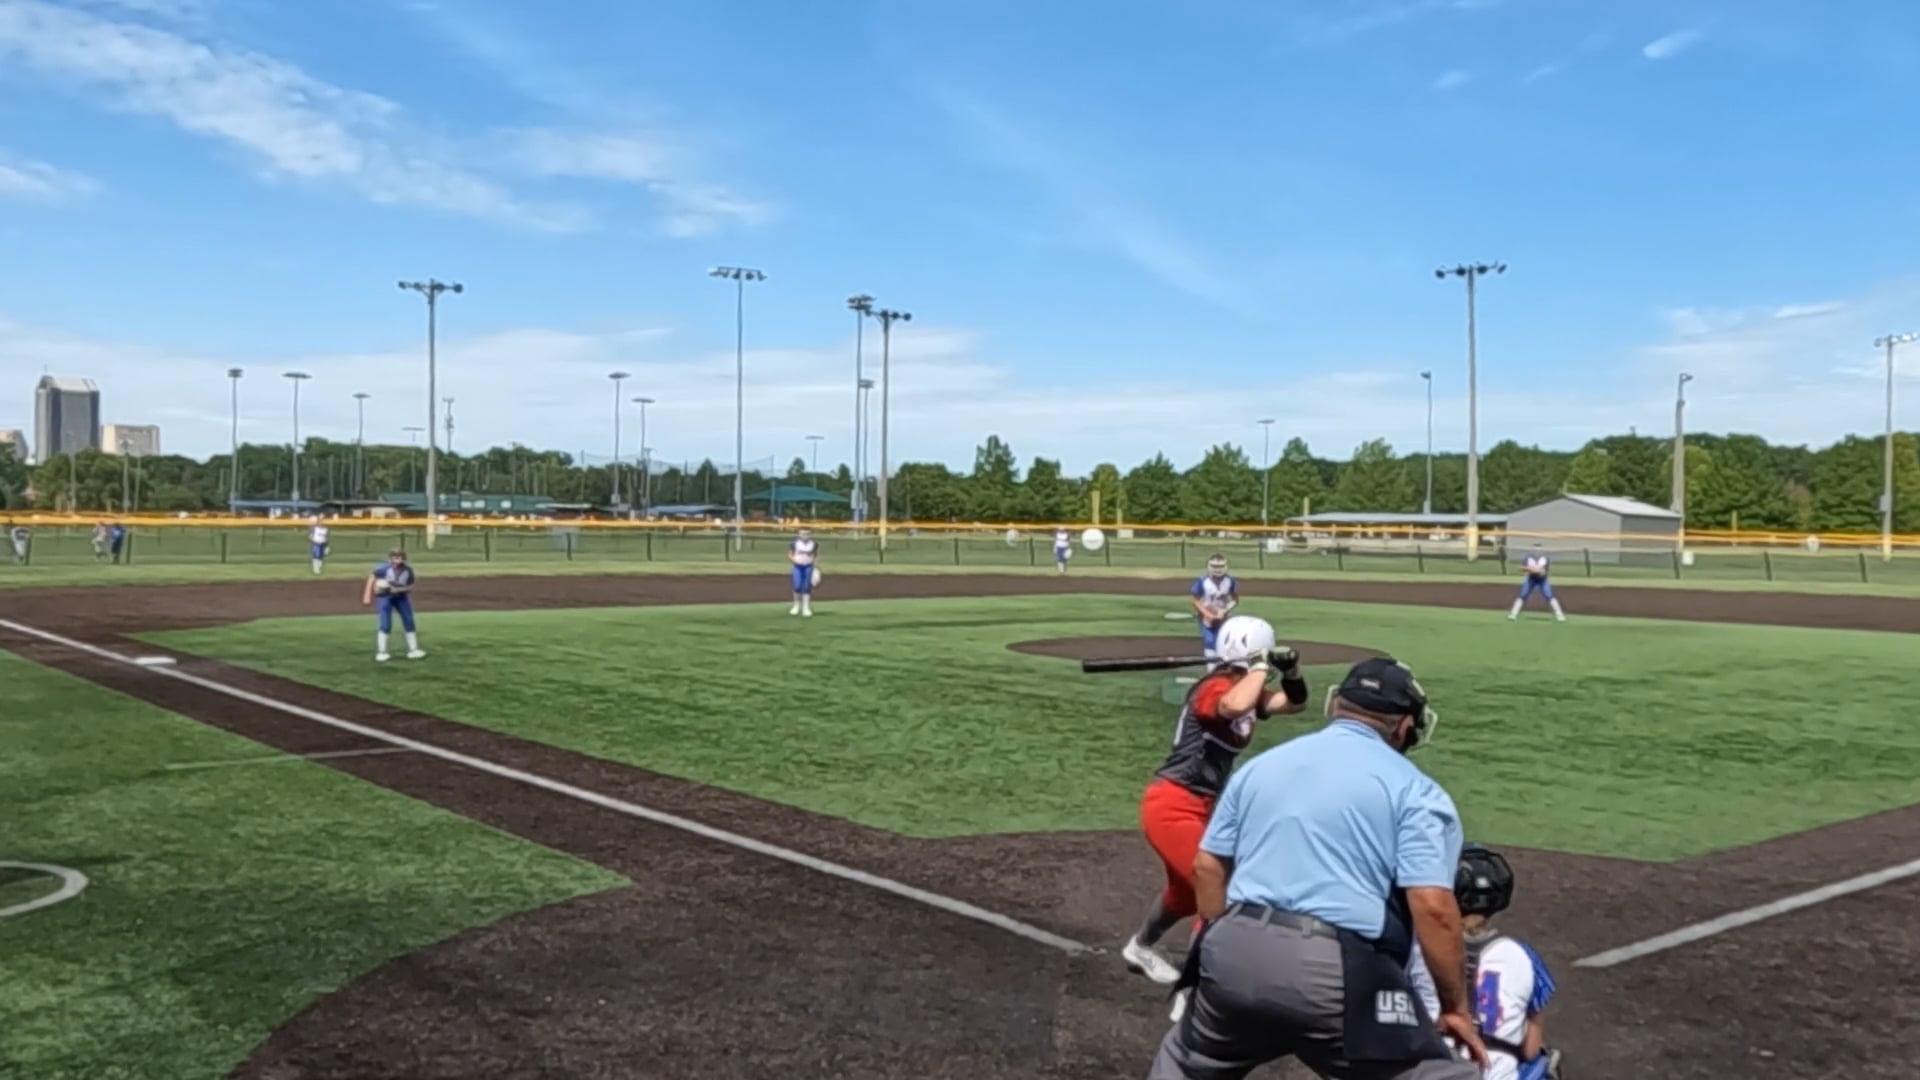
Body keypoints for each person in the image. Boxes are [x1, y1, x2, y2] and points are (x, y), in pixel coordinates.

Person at [1148, 656, 1486, 1080]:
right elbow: (1433, 906)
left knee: (1184, 1063)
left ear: (1335, 705)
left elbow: (1208, 867)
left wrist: (1217, 947)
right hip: (1337, 969)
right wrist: (1455, 1008)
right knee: (1434, 1073)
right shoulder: (1416, 790)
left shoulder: (1260, 767)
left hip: (1234, 948)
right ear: (1403, 727)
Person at [1124, 616, 1310, 985]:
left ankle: (1140, 947)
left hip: (1202, 806)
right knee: (1217, 887)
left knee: (1184, 895)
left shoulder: (1245, 689)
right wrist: (1260, 667)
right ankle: (1200, 986)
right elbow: (1231, 707)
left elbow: (1294, 704)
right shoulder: (1215, 687)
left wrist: (1292, 672)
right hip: (1172, 804)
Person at [1408, 846, 1562, 1080]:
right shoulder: (1525, 956)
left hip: (1434, 1072)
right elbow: (1530, 1050)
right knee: (1545, 1062)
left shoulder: (1417, 950)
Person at [362, 548, 425, 662]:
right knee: (385, 622)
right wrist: (367, 595)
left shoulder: (408, 570)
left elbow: (410, 585)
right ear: (390, 558)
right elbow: (372, 578)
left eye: (399, 558)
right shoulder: (384, 568)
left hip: (401, 597)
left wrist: (398, 589)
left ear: (404, 559)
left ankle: (413, 649)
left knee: (409, 620)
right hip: (385, 597)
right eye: (394, 558)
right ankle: (382, 652)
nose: (397, 560)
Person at [1189, 555, 1239, 660]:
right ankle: (1211, 665)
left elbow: (1235, 600)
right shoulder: (1202, 581)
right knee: (1210, 641)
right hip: (1206, 617)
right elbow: (1195, 600)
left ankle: (1223, 664)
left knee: (1224, 640)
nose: (1218, 569)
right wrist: (1208, 614)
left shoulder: (1230, 581)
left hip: (1223, 617)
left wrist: (1224, 610)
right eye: (1215, 566)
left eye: (1220, 566)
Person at [1509, 544, 1566, 622]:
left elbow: (1546, 571)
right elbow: (1521, 568)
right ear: (1532, 550)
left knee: (1549, 595)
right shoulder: (1528, 558)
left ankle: (1559, 614)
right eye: (1535, 550)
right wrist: (1530, 569)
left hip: (1542, 580)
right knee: (1522, 595)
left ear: (1542, 551)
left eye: (1539, 550)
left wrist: (1541, 572)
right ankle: (1513, 614)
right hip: (1531, 579)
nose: (1537, 552)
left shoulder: (1545, 558)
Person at [788, 527, 819, 617]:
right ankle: (796, 606)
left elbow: (815, 555)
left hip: (808, 567)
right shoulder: (794, 543)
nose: (805, 536)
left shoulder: (814, 544)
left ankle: (806, 607)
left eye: (807, 534)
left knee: (806, 587)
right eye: (802, 534)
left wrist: (815, 567)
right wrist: (793, 559)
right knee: (797, 586)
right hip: (797, 567)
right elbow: (790, 553)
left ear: (810, 535)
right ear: (799, 534)